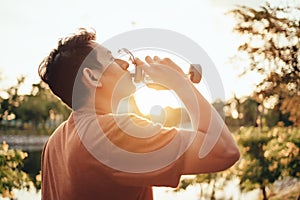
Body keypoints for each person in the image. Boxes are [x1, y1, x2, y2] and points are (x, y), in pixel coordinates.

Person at [38, 28, 240, 200]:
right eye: (112, 59)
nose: (125, 64)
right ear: (92, 77)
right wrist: (180, 83)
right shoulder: (111, 133)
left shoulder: (54, 143)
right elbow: (224, 151)